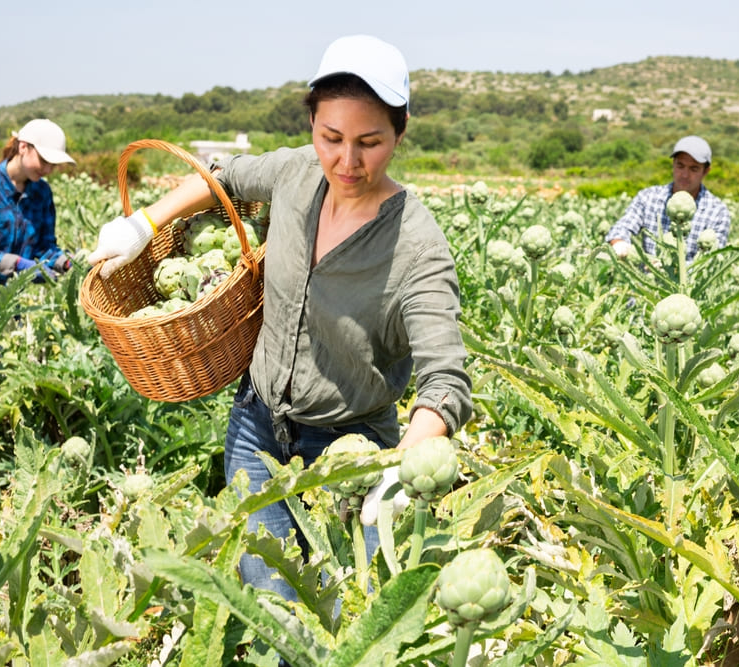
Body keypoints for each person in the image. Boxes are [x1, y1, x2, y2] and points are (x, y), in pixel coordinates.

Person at [87, 35, 473, 601]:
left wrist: (403, 467)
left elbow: (446, 381)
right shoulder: (295, 174)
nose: (347, 162)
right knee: (272, 608)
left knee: (349, 618)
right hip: (255, 427)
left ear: (401, 131)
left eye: (370, 142)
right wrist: (145, 223)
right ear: (311, 121)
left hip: (352, 454)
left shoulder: (417, 247)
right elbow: (221, 174)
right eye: (330, 137)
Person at [0, 118, 76, 283]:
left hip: (7, 298)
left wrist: (68, 263)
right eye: (44, 161)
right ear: (23, 147)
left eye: (53, 165)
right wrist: (17, 264)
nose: (48, 170)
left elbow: (44, 248)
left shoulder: (43, 193)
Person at [606, 135, 730, 261]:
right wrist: (619, 243)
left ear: (706, 171)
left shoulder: (717, 212)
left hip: (691, 280)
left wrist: (671, 269)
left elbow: (713, 260)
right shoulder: (648, 197)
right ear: (673, 164)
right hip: (648, 278)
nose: (685, 175)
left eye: (694, 168)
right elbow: (622, 227)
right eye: (680, 166)